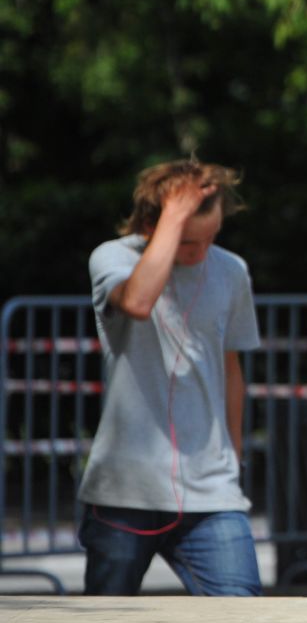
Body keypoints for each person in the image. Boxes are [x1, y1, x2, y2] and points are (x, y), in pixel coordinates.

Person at [78, 159, 263, 596]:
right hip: (125, 490)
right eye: (187, 241)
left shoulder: (232, 270)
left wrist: (232, 457)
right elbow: (138, 302)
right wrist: (173, 214)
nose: (199, 253)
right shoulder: (114, 257)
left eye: (211, 238)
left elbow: (230, 368)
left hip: (212, 492)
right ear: (152, 223)